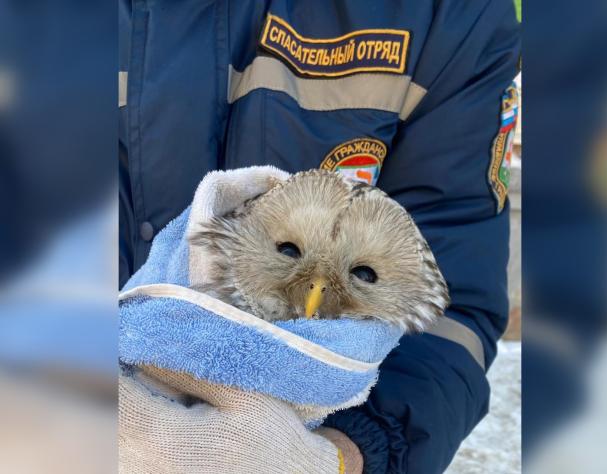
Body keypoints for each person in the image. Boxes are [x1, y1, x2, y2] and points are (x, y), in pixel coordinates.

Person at [119, 0, 520, 472]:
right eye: (288, 250)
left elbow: (449, 302)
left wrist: (342, 455)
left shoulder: (447, 13)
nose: (314, 292)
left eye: (362, 272)